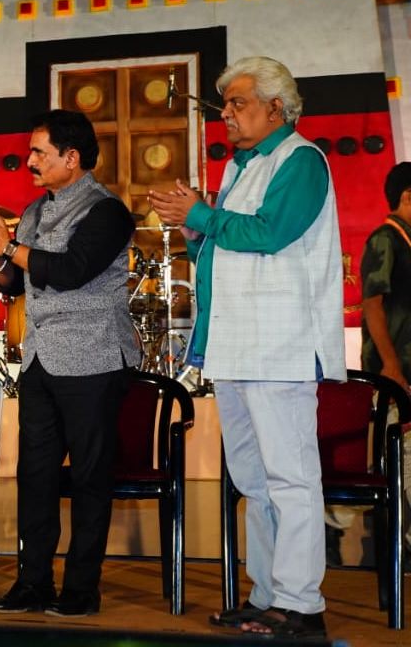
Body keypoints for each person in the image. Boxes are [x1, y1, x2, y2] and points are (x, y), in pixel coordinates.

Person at [149, 56, 345, 640]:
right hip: (238, 346)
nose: (227, 115)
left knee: (290, 478)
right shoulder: (241, 166)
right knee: (254, 481)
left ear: (275, 107)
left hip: (280, 345)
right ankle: (268, 596)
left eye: (237, 103)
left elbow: (270, 233)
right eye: (226, 105)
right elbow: (224, 249)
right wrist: (196, 231)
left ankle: (303, 606)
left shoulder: (301, 160)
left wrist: (202, 215)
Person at [0, 109, 138, 618]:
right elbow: (16, 284)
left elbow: (72, 270)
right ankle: (32, 582)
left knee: (88, 478)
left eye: (39, 152)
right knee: (35, 476)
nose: (30, 161)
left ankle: (81, 589)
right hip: (40, 359)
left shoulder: (107, 211)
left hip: (94, 357)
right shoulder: (36, 210)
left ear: (71, 157)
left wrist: (10, 246)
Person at [359, 162, 411, 562]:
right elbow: (373, 304)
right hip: (393, 371)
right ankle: (385, 542)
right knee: (397, 457)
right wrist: (391, 365)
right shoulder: (385, 239)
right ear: (407, 196)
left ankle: (393, 541)